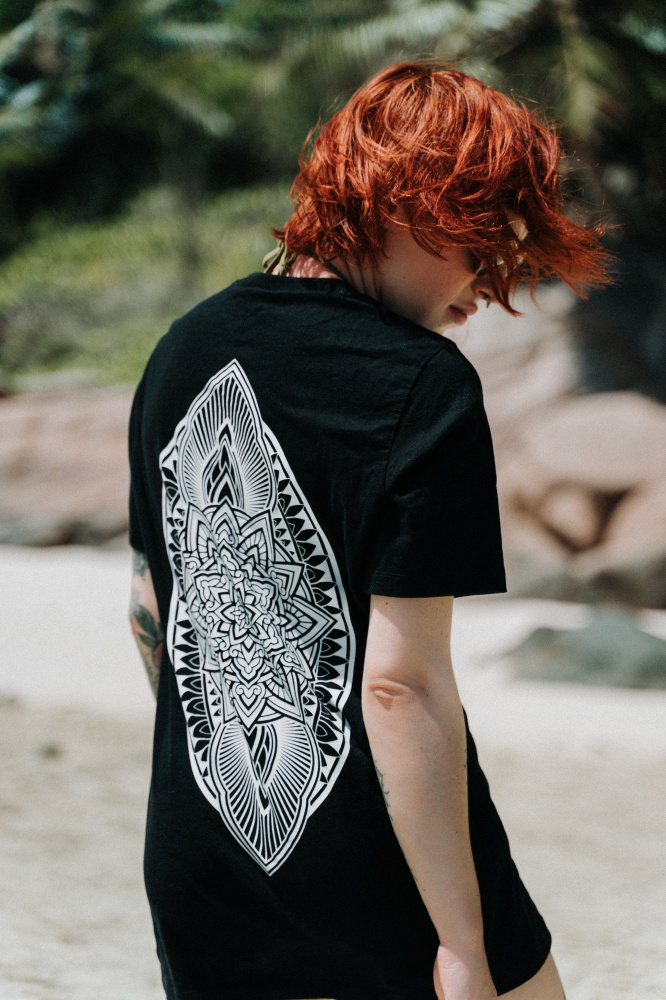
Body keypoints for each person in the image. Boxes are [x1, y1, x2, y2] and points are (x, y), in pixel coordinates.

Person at [128, 62, 610, 1000]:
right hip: (381, 866)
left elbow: (153, 609)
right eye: (484, 247)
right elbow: (400, 685)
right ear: (413, 204)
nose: (491, 288)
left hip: (199, 859)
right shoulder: (424, 384)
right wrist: (463, 942)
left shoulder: (181, 346)